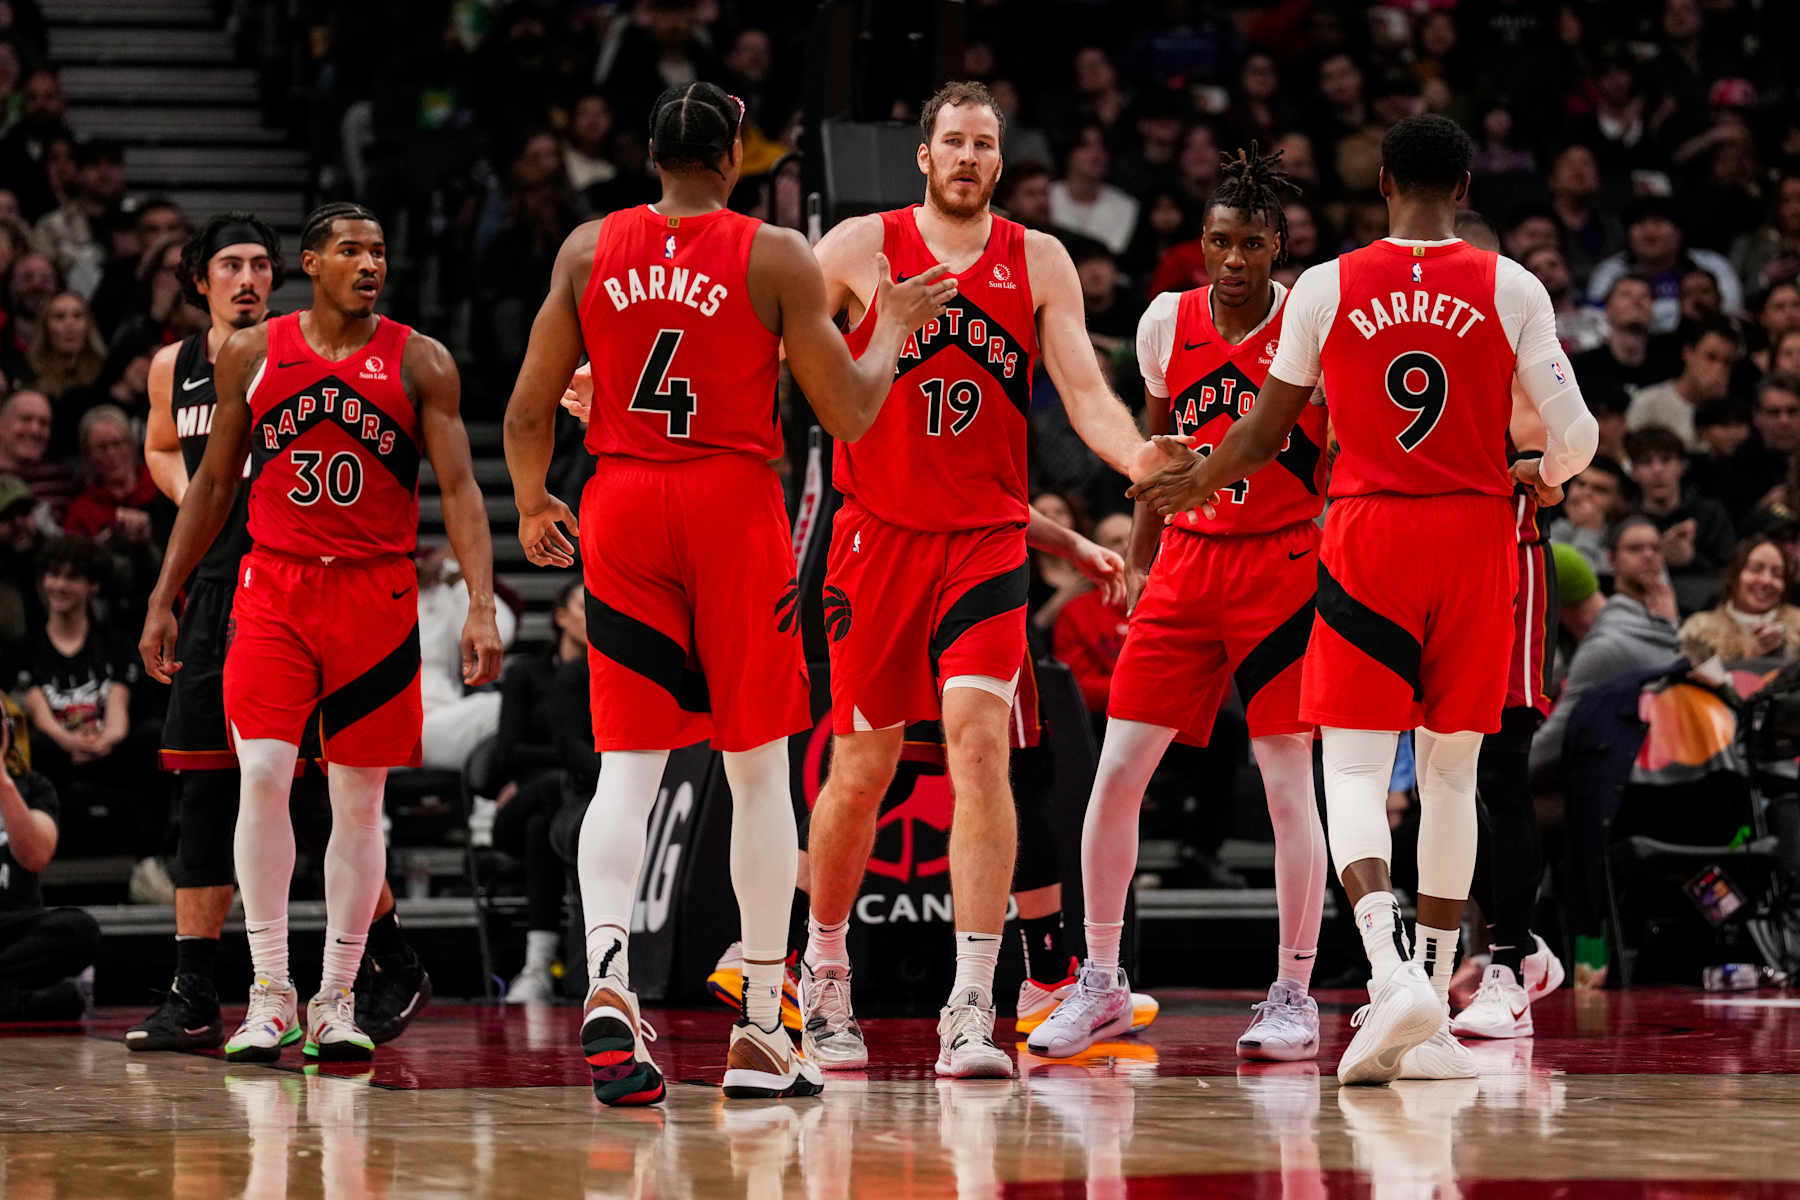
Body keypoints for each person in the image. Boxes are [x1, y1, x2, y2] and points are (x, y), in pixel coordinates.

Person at [502, 81, 954, 1105]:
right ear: (735, 154)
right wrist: (892, 325)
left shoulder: (585, 249)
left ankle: (608, 975)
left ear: (651, 154)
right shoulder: (774, 252)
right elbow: (847, 412)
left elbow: (528, 409)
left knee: (629, 766)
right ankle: (759, 1023)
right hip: (730, 509)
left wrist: (534, 506)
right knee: (757, 771)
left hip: (620, 504)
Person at [1130, 114, 1596, 1084]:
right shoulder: (1511, 286)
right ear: (1465, 188)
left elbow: (1260, 438)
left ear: (1384, 184)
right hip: (1475, 541)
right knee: (1454, 774)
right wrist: (1544, 473)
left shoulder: (1331, 287)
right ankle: (1430, 985)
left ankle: (1390, 976)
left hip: (1369, 534)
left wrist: (1189, 484)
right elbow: (1579, 434)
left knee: (1350, 769)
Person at [800, 80, 1150, 1080]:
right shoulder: (861, 249)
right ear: (922, 155)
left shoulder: (1038, 259)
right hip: (876, 538)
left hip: (986, 545)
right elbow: (768, 348)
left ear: (1000, 162)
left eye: (983, 144)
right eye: (951, 140)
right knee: (861, 771)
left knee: (982, 750)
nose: (966, 156)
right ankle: (825, 977)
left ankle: (973, 1004)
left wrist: (1137, 463)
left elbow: (1085, 389)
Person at [139, 201, 503, 1063]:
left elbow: (458, 490)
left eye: (378, 250)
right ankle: (271, 990)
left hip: (375, 598)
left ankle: (337, 994)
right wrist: (166, 593)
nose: (369, 263)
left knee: (358, 802)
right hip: (273, 589)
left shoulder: (422, 361)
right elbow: (214, 482)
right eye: (349, 250)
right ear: (310, 263)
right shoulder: (255, 355)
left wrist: (482, 603)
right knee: (261, 774)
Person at [1029, 145, 1333, 1066]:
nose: (1232, 259)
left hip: (1285, 568)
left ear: (1278, 244)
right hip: (1189, 568)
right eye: (1217, 242)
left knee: (1288, 787)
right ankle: (1103, 981)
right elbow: (1158, 454)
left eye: (1249, 243)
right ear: (1198, 244)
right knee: (1117, 773)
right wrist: (1137, 556)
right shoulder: (1166, 319)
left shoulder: (1309, 321)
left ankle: (1293, 992)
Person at [491, 577, 595, 1005]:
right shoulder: (526, 673)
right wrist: (565, 759)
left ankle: (539, 966)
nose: (595, 616)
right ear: (560, 618)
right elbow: (505, 752)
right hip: (522, 803)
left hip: (570, 805)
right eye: (584, 606)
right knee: (545, 801)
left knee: (543, 829)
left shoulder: (608, 677)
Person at [1530, 517, 1683, 778]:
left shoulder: (1662, 626)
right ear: (1611, 559)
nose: (1648, 556)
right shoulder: (1611, 638)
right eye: (1635, 549)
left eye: (1656, 549)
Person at [0, 694, 101, 1022]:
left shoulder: (32, 787)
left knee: (79, 929)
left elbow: (35, 856)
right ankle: (20, 1002)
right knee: (60, 999)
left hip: (14, 931)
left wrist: (2, 782)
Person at [1624, 424, 1735, 614]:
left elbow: (1730, 571)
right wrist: (1660, 558)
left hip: (1708, 609)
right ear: (1634, 471)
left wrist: (1691, 559)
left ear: (1682, 466)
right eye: (1646, 462)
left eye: (1666, 460)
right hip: (1642, 610)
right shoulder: (1626, 522)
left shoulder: (1710, 514)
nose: (1657, 470)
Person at [1623, 315, 1740, 450]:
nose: (1718, 369)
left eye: (1727, 363)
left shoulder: (1734, 416)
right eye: (1710, 357)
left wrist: (1718, 407)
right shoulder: (1648, 403)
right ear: (1688, 354)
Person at [1678, 536, 1800, 663]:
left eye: (1777, 574)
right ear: (1732, 575)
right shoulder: (1699, 629)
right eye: (1756, 569)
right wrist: (1749, 657)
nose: (1766, 580)